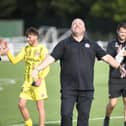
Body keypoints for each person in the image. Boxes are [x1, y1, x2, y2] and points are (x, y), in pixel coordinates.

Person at [32, 18, 126, 126]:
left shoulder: (92, 44)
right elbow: (51, 58)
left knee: (83, 119)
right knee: (66, 116)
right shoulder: (63, 44)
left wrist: (119, 66)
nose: (77, 25)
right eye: (74, 23)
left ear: (84, 28)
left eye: (80, 23)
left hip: (87, 90)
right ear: (71, 28)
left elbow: (107, 57)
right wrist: (38, 68)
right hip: (68, 89)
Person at [3, 27, 50, 126]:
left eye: (29, 37)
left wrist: (41, 79)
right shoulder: (26, 49)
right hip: (27, 82)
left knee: (40, 107)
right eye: (27, 38)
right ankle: (29, 124)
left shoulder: (42, 49)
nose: (27, 39)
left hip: (38, 82)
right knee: (21, 104)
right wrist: (7, 53)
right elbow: (15, 61)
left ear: (36, 37)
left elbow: (46, 66)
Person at [103, 22, 126, 126]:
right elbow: (108, 59)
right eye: (121, 32)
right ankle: (107, 118)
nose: (123, 34)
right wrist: (120, 54)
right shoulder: (111, 44)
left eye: (125, 32)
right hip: (115, 78)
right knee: (112, 104)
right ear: (117, 32)